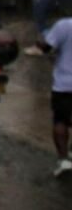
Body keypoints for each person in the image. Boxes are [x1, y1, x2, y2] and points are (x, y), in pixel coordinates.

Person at [40, 16, 72, 176]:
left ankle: (64, 159)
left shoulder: (64, 25)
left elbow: (46, 47)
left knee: (60, 121)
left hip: (64, 85)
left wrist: (41, 44)